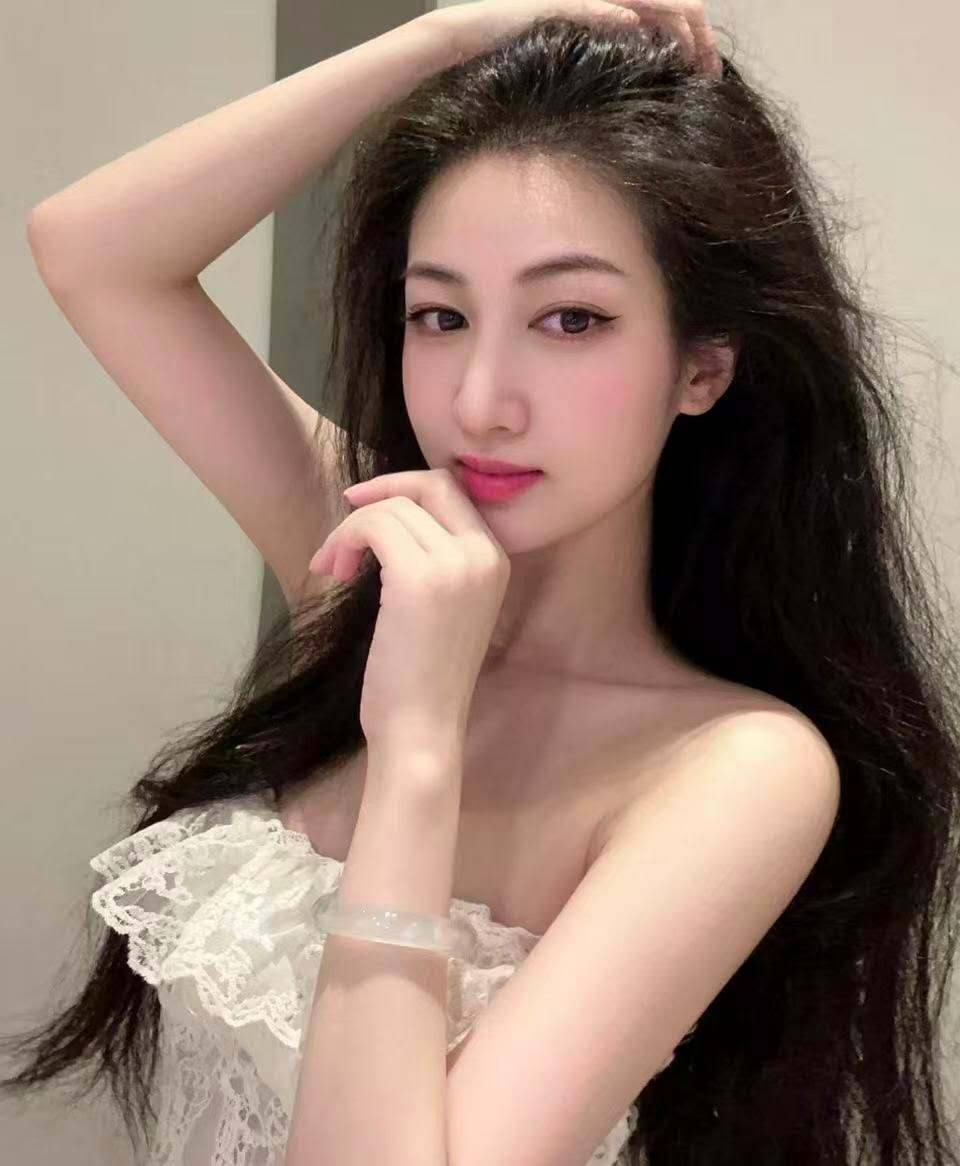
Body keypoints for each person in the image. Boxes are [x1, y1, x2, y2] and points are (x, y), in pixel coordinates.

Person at [7, 2, 960, 1164]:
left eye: (572, 318)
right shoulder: (366, 557)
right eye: (441, 315)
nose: (479, 401)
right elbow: (93, 250)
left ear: (701, 367)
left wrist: (417, 743)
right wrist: (444, 42)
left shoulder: (737, 770)